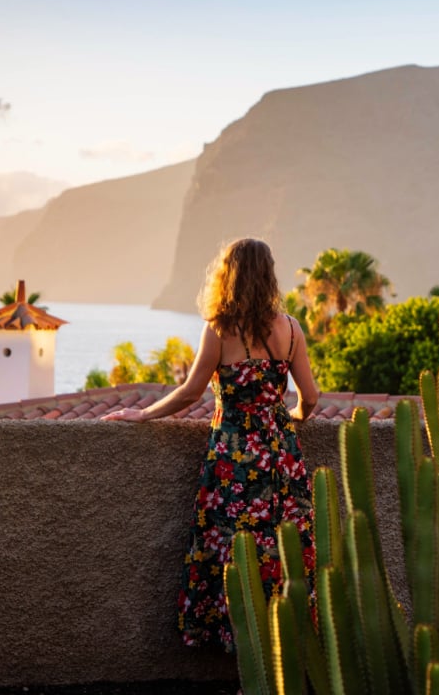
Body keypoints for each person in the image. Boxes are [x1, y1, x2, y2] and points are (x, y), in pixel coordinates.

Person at [102, 238, 319, 651]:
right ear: (268, 274)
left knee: (234, 559)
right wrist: (288, 422)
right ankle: (284, 656)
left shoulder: (220, 329)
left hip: (233, 461)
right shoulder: (290, 329)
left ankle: (243, 660)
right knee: (281, 554)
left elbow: (189, 393)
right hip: (280, 459)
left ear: (228, 275)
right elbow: (310, 396)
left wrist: (144, 415)